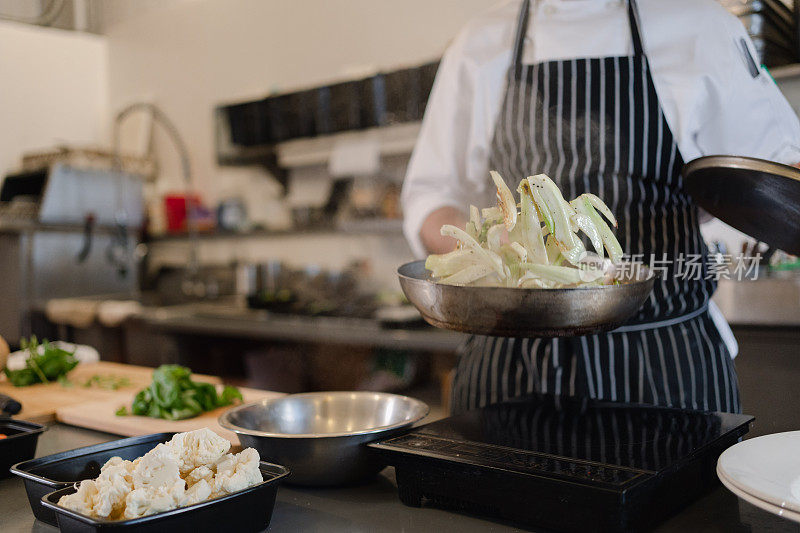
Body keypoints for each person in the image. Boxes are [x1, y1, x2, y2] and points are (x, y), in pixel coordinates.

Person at [401, 0, 800, 414]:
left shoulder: (701, 28)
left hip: (667, 367)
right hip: (510, 368)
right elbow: (431, 201)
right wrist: (491, 247)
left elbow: (779, 173)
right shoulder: (479, 44)